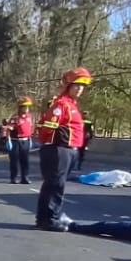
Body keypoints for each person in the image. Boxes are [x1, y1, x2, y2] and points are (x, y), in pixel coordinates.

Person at [35, 68, 92, 231]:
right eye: (76, 86)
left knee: (56, 185)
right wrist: (53, 141)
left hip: (70, 149)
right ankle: (49, 219)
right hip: (59, 150)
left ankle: (48, 217)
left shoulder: (72, 105)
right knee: (55, 185)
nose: (80, 89)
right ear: (68, 86)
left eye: (82, 86)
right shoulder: (61, 104)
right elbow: (48, 127)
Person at [3, 97, 34, 184]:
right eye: (25, 107)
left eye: (27, 107)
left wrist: (30, 139)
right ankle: (14, 177)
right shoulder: (15, 118)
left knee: (25, 160)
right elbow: (9, 129)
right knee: (14, 160)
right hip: (15, 141)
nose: (27, 109)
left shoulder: (29, 117)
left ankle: (25, 177)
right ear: (20, 107)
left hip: (25, 141)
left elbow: (29, 129)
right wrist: (8, 140)